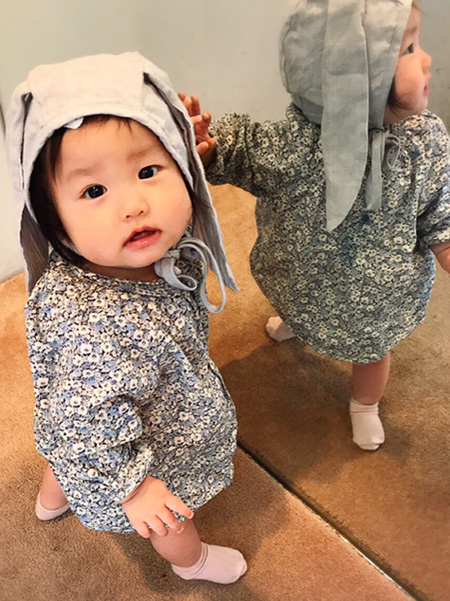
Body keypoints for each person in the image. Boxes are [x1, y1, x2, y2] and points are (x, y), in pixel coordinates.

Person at [6, 52, 247, 584]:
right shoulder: (96, 333)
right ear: (52, 221)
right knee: (169, 519)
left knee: (63, 450)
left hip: (80, 425)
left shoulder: (131, 254)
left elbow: (73, 417)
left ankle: (53, 497)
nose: (134, 204)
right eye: (94, 191)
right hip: (132, 455)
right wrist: (135, 488)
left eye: (148, 171)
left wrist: (191, 145)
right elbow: (87, 422)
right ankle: (191, 562)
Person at [180, 0, 450, 451]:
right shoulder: (297, 141)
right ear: (352, 79)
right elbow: (243, 150)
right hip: (302, 274)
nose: (426, 59)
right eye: (407, 49)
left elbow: (440, 207)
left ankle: (364, 404)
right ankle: (297, 320)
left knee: (371, 351)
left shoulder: (427, 139)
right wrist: (207, 146)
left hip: (378, 297)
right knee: (297, 300)